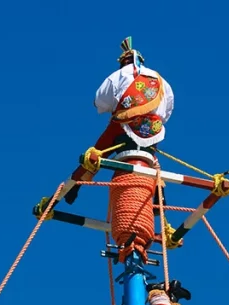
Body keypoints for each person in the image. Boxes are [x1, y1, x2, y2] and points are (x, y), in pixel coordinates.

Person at [63, 36, 175, 205]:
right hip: (153, 129)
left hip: (124, 126)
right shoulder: (161, 80)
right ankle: (160, 196)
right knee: (152, 159)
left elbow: (100, 101)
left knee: (98, 150)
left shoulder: (119, 75)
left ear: (123, 61)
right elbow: (166, 111)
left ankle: (77, 183)